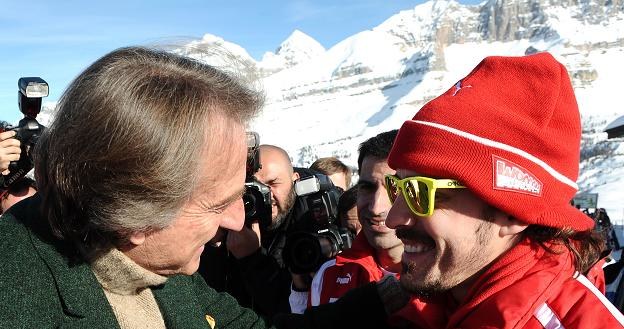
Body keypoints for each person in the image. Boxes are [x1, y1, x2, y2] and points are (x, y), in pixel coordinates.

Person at [277, 53, 624, 328]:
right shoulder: (431, 299)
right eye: (400, 188)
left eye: (421, 192)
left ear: (513, 211)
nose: (395, 217)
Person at [0, 46, 276, 328]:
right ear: (132, 215)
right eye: (217, 205)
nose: (238, 220)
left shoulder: (163, 264)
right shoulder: (16, 302)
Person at [289, 130, 403, 313]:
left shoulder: (450, 281)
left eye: (394, 189)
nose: (376, 207)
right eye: (367, 187)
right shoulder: (328, 276)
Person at [199, 144, 300, 316]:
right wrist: (213, 247)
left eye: (273, 183)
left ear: (294, 180)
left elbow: (298, 308)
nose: (265, 195)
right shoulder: (230, 222)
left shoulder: (307, 224)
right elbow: (206, 300)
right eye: (253, 187)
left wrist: (252, 259)